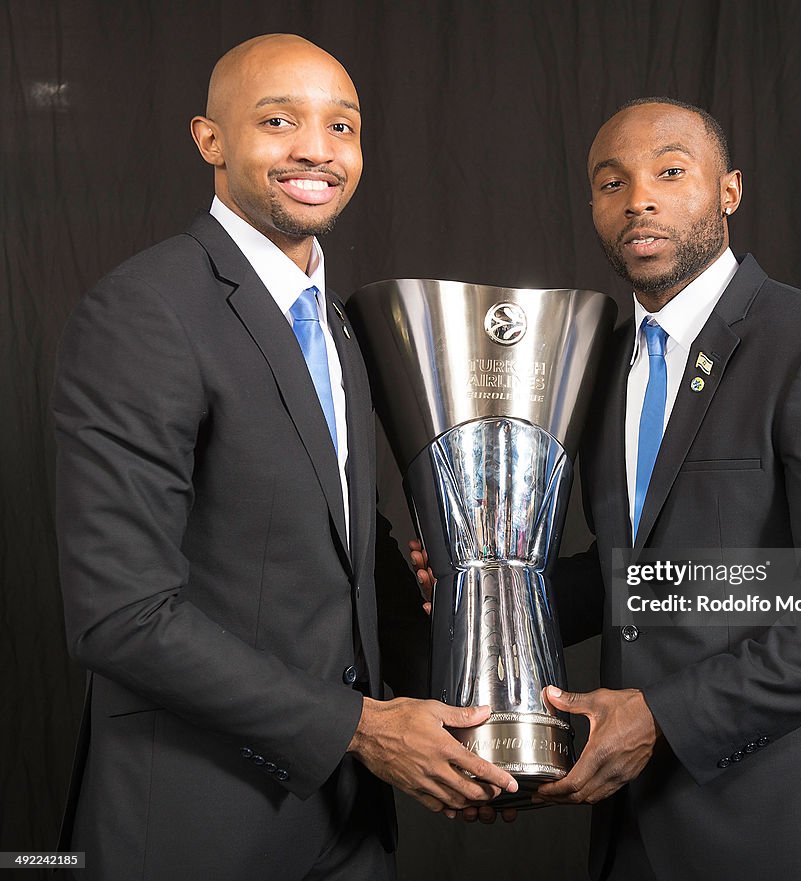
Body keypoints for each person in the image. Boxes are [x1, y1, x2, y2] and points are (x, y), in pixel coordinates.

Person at [414, 98, 801, 879]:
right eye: (611, 182)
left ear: (730, 190)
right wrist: (495, 587)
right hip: (630, 830)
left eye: (670, 172)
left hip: (779, 830)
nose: (638, 198)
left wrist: (664, 718)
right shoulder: (601, 362)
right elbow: (644, 573)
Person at [53, 34, 516, 881]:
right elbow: (120, 612)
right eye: (278, 120)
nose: (316, 148)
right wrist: (359, 728)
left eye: (342, 126)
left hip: (346, 823)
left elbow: (323, 537)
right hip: (199, 825)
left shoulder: (337, 323)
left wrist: (453, 710)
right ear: (210, 140)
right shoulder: (145, 312)